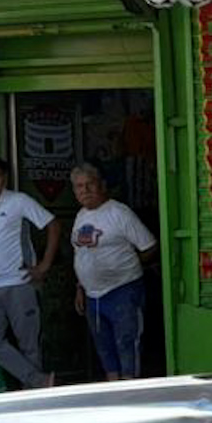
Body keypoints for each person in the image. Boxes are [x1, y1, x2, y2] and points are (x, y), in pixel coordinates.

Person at [0, 154, 62, 388]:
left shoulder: (18, 201)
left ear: (4, 178)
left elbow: (53, 225)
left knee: (30, 345)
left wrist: (44, 266)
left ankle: (36, 400)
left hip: (19, 283)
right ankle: (39, 382)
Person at [69, 163, 158, 381]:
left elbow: (149, 247)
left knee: (127, 343)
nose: (85, 190)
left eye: (90, 184)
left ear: (102, 185)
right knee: (104, 348)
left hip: (123, 290)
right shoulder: (81, 215)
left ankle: (130, 391)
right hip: (92, 295)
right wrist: (80, 286)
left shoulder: (119, 212)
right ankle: (113, 389)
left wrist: (127, 264)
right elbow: (80, 254)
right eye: (79, 186)